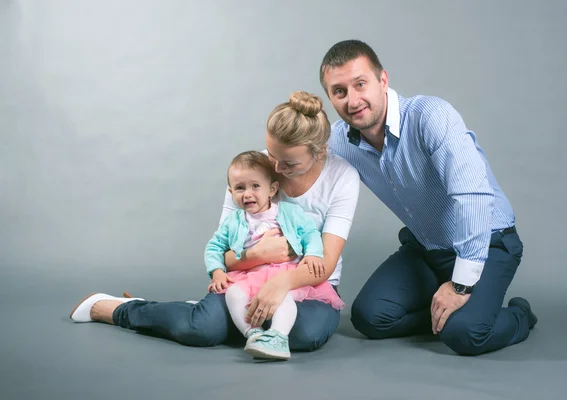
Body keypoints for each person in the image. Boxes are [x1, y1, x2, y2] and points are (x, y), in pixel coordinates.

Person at [69, 91, 360, 353]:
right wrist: (257, 255)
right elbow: (224, 253)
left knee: (304, 335)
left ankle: (223, 317)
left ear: (319, 151)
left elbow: (325, 262)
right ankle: (120, 310)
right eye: (272, 155)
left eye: (290, 164)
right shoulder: (250, 171)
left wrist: (281, 282)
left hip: (308, 284)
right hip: (247, 278)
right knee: (199, 329)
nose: (276, 169)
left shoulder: (342, 177)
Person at [319, 39, 537, 355]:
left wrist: (461, 285)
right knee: (369, 318)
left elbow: (473, 196)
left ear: (383, 80)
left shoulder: (430, 116)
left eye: (360, 84)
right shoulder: (341, 140)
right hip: (427, 247)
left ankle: (518, 314)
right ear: (330, 98)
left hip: (488, 242)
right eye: (339, 92)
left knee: (466, 335)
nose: (352, 100)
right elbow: (298, 163)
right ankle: (446, 316)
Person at [205, 150, 344, 360]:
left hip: (285, 272)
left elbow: (309, 233)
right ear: (231, 192)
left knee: (283, 297)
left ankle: (278, 338)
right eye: (240, 188)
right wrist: (216, 271)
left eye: (255, 186)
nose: (248, 194)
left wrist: (314, 254)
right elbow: (214, 247)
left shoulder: (288, 212)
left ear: (272, 189)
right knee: (234, 294)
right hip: (251, 275)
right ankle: (253, 333)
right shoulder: (233, 221)